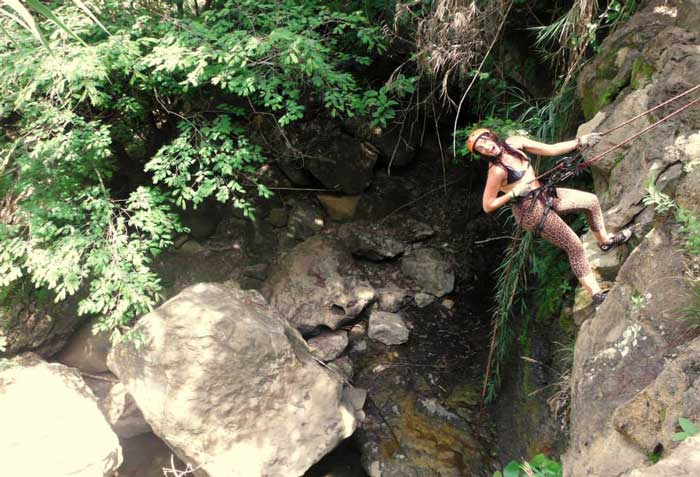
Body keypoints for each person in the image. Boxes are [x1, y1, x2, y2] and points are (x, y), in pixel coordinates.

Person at [467, 128, 631, 306]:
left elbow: (551, 149)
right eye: (481, 149)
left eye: (485, 142)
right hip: (530, 212)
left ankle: (604, 241)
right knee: (574, 245)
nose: (486, 148)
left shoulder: (515, 142)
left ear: (492, 137)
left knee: (591, 201)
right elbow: (487, 205)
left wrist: (580, 142)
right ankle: (596, 294)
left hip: (545, 194)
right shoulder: (496, 171)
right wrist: (512, 193)